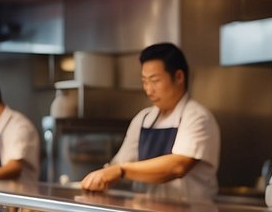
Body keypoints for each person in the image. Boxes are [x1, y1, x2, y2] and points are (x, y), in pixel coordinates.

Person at [80, 42, 220, 201]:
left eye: (155, 80)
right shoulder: (143, 119)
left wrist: (121, 171)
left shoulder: (197, 117)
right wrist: (101, 176)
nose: (148, 89)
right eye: (145, 81)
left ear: (179, 77)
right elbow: (119, 164)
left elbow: (177, 166)